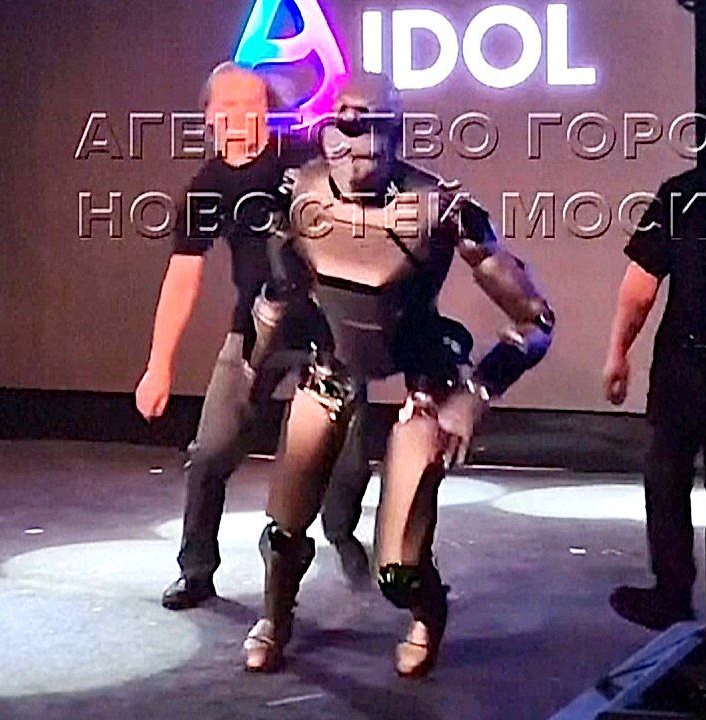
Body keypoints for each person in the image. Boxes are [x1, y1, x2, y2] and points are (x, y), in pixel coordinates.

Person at [238, 73, 556, 677]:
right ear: (324, 132)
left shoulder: (444, 209)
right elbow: (278, 292)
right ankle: (276, 614)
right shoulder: (295, 193)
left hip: (423, 380)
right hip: (331, 364)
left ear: (398, 134)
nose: (356, 148)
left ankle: (426, 611)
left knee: (399, 568)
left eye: (374, 130)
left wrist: (475, 394)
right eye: (343, 128)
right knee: (284, 527)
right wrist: (256, 367)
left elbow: (535, 320)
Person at [135, 63, 373, 611]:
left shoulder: (304, 161)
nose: (239, 117)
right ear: (208, 118)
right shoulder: (208, 188)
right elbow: (183, 276)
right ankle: (196, 569)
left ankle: (341, 533)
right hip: (256, 332)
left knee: (349, 456)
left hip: (329, 334)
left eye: (250, 105)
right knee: (210, 452)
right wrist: (159, 366)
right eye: (226, 107)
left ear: (268, 112)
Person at [602, 167, 706, 631]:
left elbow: (641, 286)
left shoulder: (686, 192)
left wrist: (617, 354)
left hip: (689, 361)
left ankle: (672, 595)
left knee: (668, 475)